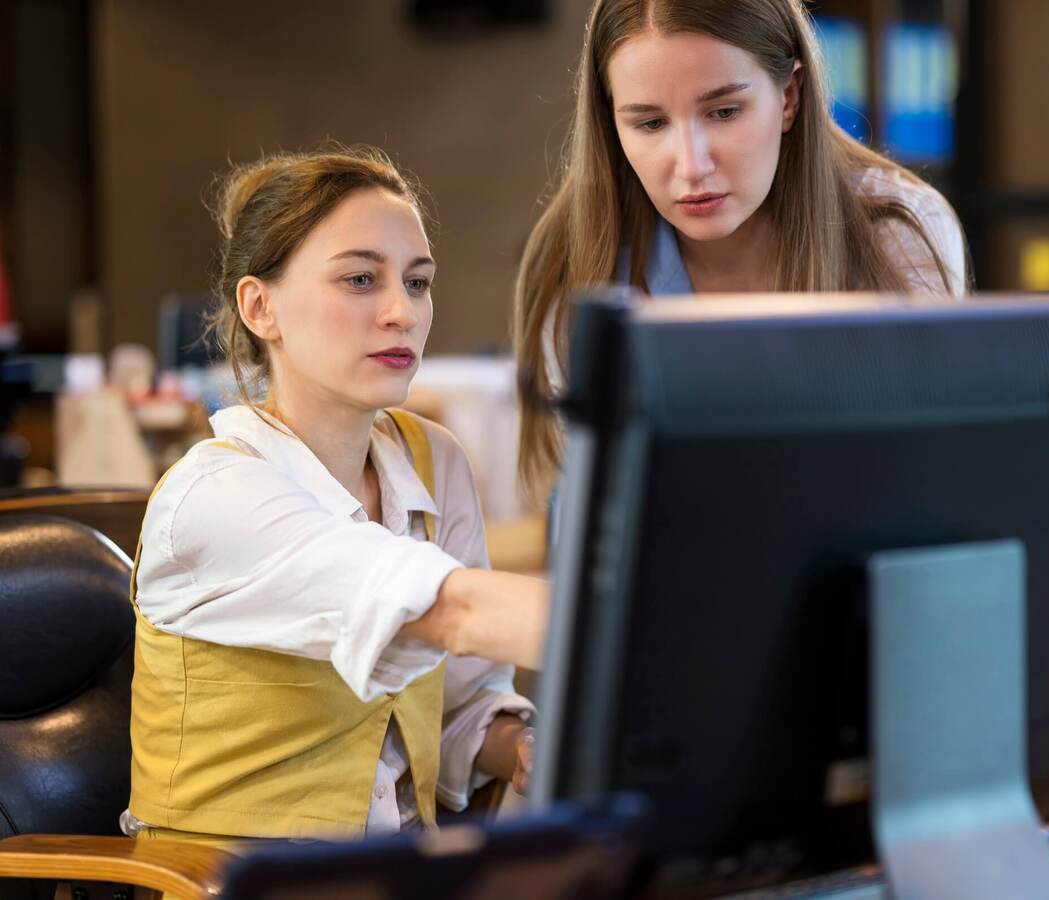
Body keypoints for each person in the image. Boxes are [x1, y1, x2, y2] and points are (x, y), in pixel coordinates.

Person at [123, 146, 548, 847]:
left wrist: (523, 747)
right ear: (261, 307)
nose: (400, 313)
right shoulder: (215, 493)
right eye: (359, 279)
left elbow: (458, 706)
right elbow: (452, 612)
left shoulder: (435, 463)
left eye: (418, 283)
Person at [514, 0, 968, 492]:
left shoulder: (895, 229)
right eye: (650, 124)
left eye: (724, 112)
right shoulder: (579, 261)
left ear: (790, 96)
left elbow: (923, 478)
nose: (690, 165)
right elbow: (592, 504)